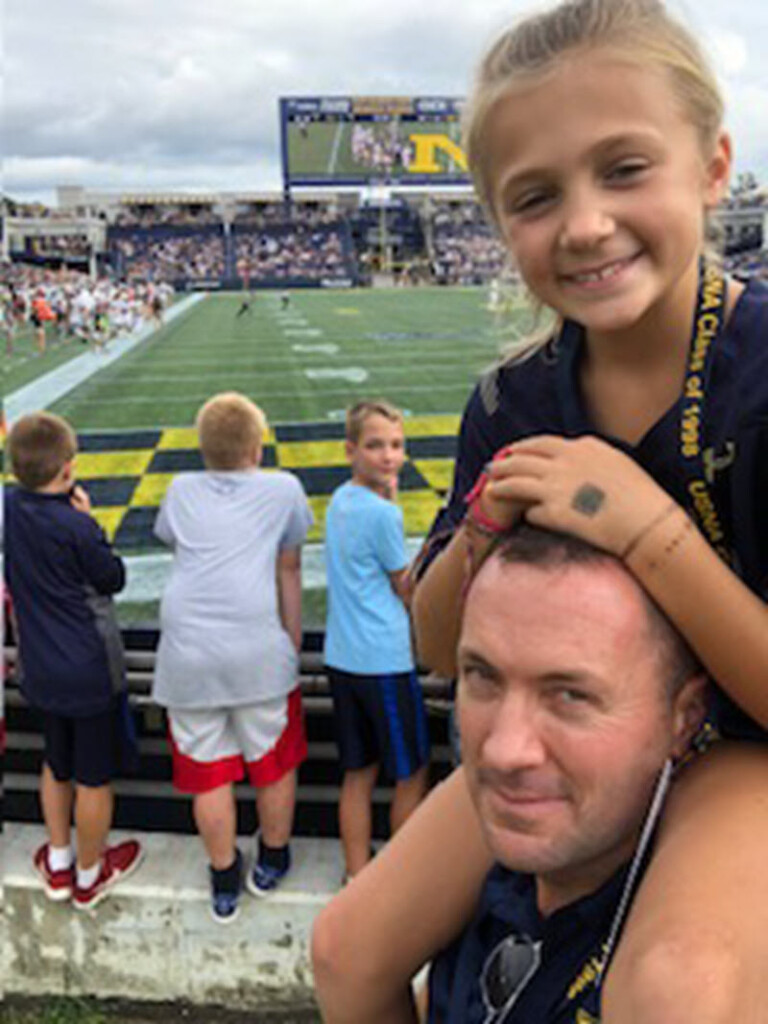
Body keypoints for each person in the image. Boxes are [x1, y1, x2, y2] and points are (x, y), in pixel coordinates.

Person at [310, 0, 768, 1020]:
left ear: (712, 165)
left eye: (624, 168)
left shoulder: (762, 379)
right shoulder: (511, 399)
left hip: (740, 744)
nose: (586, 223)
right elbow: (436, 644)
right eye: (535, 195)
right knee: (348, 946)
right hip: (572, 728)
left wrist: (652, 536)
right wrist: (479, 527)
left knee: (677, 988)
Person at [315, 525, 711, 1022]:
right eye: (482, 677)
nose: (504, 751)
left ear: (686, 717)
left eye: (570, 695)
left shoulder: (692, 971)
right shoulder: (473, 889)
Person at [152, 392, 313, 923]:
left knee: (208, 773)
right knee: (270, 763)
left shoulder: (180, 489)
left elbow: (178, 545)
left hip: (187, 653)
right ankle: (272, 855)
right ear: (257, 446)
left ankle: (224, 877)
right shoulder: (283, 488)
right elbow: (287, 566)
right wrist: (291, 640)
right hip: (256, 649)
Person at [4, 412, 143, 911]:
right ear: (68, 469)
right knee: (92, 777)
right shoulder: (76, 527)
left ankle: (59, 861)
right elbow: (112, 578)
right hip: (89, 669)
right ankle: (89, 872)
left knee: (55, 763)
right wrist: (89, 522)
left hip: (39, 667)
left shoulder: (9, 507)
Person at [323, 400, 430, 881]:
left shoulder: (341, 499)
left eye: (396, 445)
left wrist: (389, 495)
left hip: (343, 656)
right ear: (351, 450)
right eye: (376, 445)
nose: (389, 456)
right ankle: (398, 879)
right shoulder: (381, 517)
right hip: (383, 658)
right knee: (410, 773)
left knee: (358, 774)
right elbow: (404, 586)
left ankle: (355, 872)